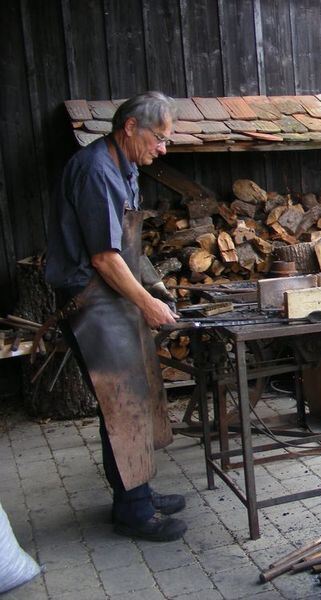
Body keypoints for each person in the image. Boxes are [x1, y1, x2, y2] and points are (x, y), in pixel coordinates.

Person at [45, 92, 187, 542]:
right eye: (159, 138)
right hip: (91, 298)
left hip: (113, 294)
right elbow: (105, 258)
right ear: (129, 128)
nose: (163, 148)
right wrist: (147, 305)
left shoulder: (125, 169)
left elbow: (128, 249)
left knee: (137, 396)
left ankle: (137, 488)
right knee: (120, 403)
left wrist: (155, 289)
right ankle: (132, 510)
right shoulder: (95, 171)